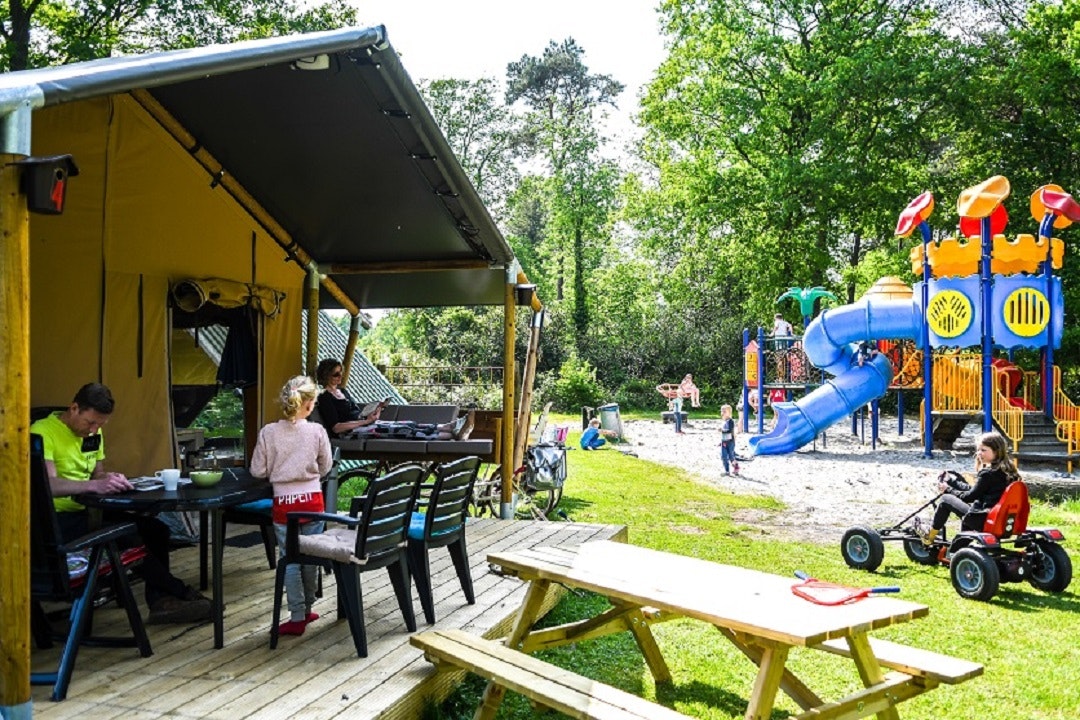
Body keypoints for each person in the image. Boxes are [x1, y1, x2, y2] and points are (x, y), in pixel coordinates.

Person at [31, 383, 211, 624]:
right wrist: (93, 486)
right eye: (90, 423)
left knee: (156, 529)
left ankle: (161, 602)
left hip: (89, 512)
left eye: (100, 425)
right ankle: (179, 592)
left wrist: (111, 479)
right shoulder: (43, 432)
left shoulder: (93, 433)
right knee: (127, 538)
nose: (94, 430)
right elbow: (48, 485)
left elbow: (97, 474)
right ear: (74, 408)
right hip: (58, 521)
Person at [250, 376, 333, 637]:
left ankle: (296, 615)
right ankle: (308, 609)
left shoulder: (268, 432)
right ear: (308, 405)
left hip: (284, 506)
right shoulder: (317, 431)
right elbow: (326, 466)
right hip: (312, 502)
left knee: (290, 559)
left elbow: (257, 470)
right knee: (311, 556)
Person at [315, 358, 473, 441]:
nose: (340, 377)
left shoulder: (343, 391)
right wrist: (364, 422)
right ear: (326, 375)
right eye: (336, 374)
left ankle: (451, 426)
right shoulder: (325, 398)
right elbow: (336, 427)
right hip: (352, 432)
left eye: (340, 373)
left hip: (365, 423)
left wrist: (375, 412)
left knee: (408, 424)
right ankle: (453, 434)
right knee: (404, 431)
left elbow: (357, 412)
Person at [917, 431, 1015, 545]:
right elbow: (975, 490)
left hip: (982, 518)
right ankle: (958, 546)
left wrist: (947, 489)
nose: (979, 453)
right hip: (1000, 518)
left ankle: (929, 536)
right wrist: (951, 481)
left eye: (983, 450)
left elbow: (969, 497)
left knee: (945, 499)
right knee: (956, 502)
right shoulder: (1008, 472)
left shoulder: (988, 474)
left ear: (997, 451)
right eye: (978, 450)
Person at [718, 404, 738, 476]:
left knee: (731, 456)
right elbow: (723, 433)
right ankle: (726, 470)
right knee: (723, 456)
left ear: (729, 412)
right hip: (724, 441)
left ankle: (736, 466)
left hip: (730, 441)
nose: (722, 412)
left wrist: (722, 430)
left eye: (724, 411)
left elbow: (729, 430)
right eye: (722, 411)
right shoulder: (723, 421)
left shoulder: (730, 421)